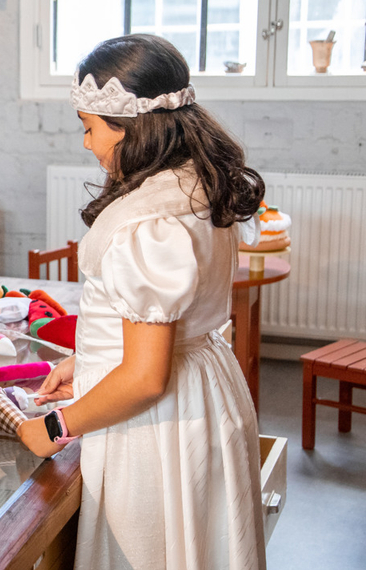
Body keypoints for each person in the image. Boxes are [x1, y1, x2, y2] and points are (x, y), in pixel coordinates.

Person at [17, 35, 267, 569]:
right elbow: (170, 325)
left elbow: (147, 377)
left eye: (89, 128)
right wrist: (90, 362)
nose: (86, 144)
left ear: (129, 127)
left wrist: (57, 427)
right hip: (206, 392)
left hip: (158, 427)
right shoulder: (195, 183)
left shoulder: (147, 222)